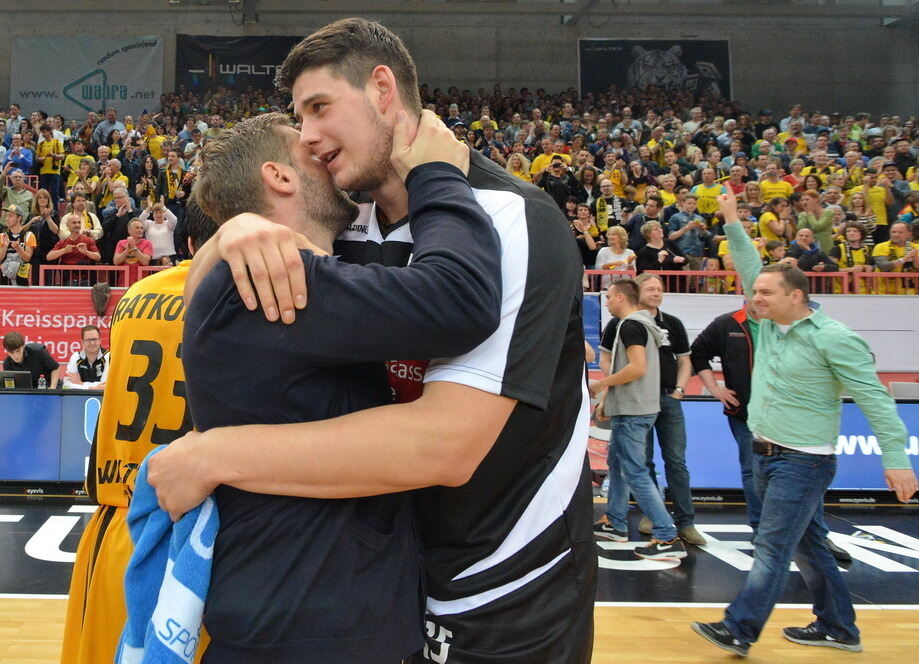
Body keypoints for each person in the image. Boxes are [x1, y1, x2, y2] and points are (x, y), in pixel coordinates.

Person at [148, 18, 596, 664]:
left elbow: (442, 446)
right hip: (399, 597)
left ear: (382, 89)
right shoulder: (343, 225)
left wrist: (220, 453)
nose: (308, 135)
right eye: (297, 121)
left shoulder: (508, 220)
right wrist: (229, 234)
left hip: (507, 600)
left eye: (319, 108)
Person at [172, 108, 505, 663]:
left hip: (298, 618)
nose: (325, 151)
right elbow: (460, 300)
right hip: (305, 632)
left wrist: (229, 229)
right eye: (307, 148)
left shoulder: (254, 276)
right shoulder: (276, 285)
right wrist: (439, 176)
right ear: (279, 177)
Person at [690, 187, 918, 658]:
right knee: (809, 544)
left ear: (796, 296)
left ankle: (740, 627)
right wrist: (732, 219)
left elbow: (874, 398)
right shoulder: (771, 322)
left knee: (772, 544)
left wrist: (896, 459)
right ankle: (838, 625)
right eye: (754, 292)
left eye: (765, 293)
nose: (755, 297)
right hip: (764, 449)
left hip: (804, 460)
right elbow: (752, 266)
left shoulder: (835, 339)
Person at [59, 203, 218, 664]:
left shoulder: (136, 295)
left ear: (187, 243)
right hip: (200, 533)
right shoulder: (247, 299)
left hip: (118, 521)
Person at [590, 279, 688, 560]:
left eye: (609, 297)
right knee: (618, 464)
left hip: (634, 409)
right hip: (635, 406)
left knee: (635, 471)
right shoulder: (644, 323)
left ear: (621, 297)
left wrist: (602, 384)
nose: (606, 301)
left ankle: (667, 535)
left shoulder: (631, 325)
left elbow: (637, 367)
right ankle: (616, 523)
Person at [632, 273, 705, 545]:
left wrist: (679, 390)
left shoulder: (672, 323)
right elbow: (608, 359)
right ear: (636, 291)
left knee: (676, 462)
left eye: (659, 289)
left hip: (668, 399)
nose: (656, 293)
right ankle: (653, 514)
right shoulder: (625, 323)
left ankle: (686, 522)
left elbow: (685, 361)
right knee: (645, 461)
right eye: (650, 288)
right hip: (639, 401)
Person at [63, 324, 108, 390]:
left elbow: (106, 386)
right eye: (88, 340)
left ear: (100, 340)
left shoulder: (108, 356)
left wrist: (80, 383)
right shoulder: (75, 357)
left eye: (94, 339)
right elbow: (67, 385)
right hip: (79, 398)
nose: (92, 343)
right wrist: (94, 387)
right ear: (82, 342)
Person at [1, 203, 36, 285]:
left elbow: (27, 258)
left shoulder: (29, 235)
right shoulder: (2, 236)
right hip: (5, 281)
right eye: (6, 216)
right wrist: (5, 247)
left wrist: (18, 248)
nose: (7, 218)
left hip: (22, 281)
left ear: (19, 218)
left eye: (10, 216)